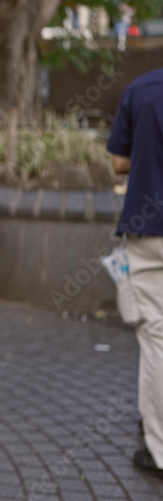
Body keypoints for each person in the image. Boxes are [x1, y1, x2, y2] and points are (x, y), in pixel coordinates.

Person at [107, 67, 163, 477]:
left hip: (150, 231)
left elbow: (119, 162)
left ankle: (159, 449)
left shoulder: (142, 89)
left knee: (157, 339)